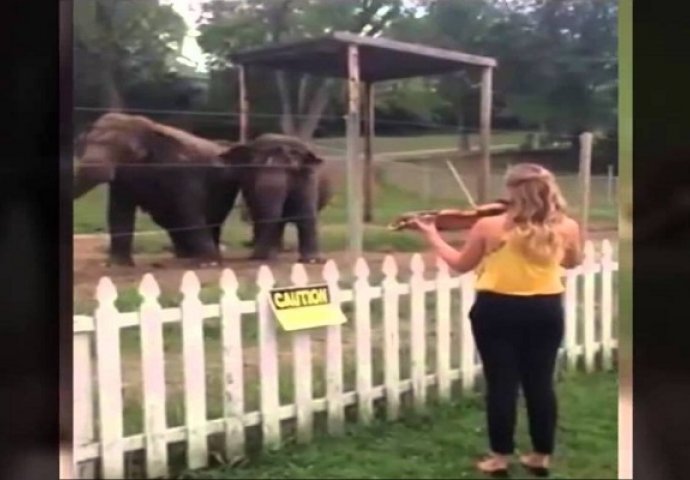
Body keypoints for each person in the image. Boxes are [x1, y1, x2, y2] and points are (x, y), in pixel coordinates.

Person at [411, 163, 583, 477]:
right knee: (540, 383)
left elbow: (461, 265)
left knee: (501, 383)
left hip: (497, 309)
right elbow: (573, 262)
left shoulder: (489, 227)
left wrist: (432, 234)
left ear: (511, 190)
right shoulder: (567, 226)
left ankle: (499, 457)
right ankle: (540, 455)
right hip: (545, 309)